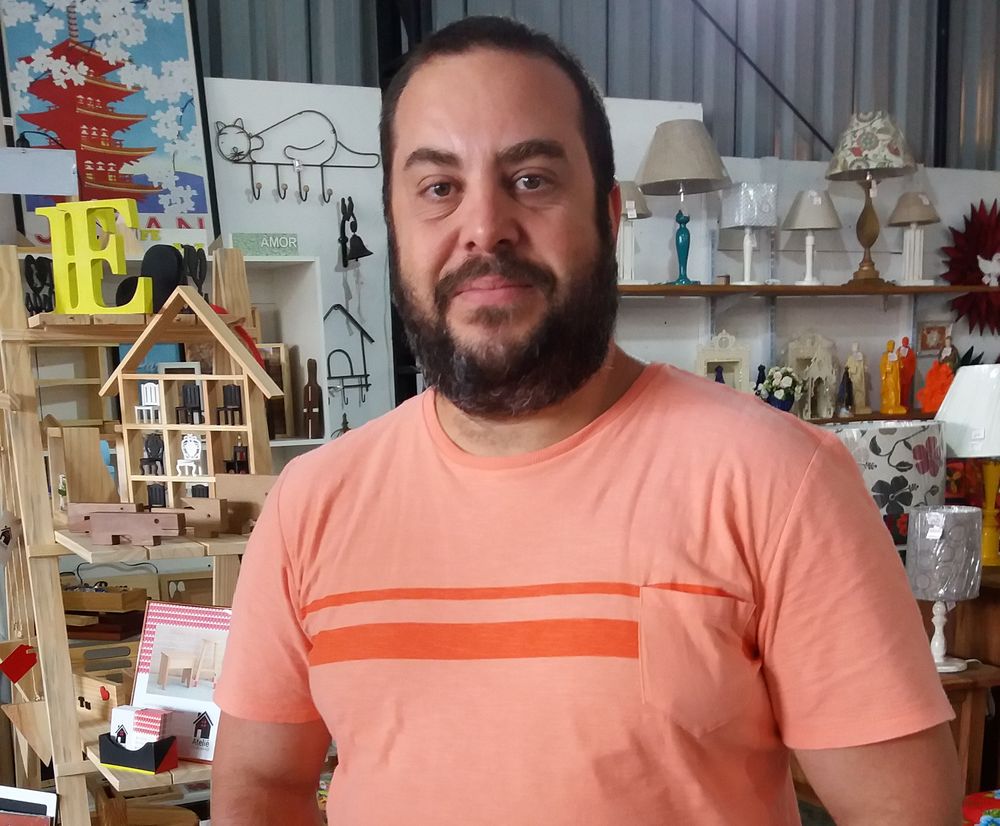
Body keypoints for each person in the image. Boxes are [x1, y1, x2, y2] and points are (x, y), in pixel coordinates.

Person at [211, 16, 960, 825]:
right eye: (438, 188)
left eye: (531, 178)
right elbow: (260, 786)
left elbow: (904, 813)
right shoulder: (312, 505)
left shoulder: (778, 482)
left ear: (608, 214)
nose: (484, 226)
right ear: (394, 227)